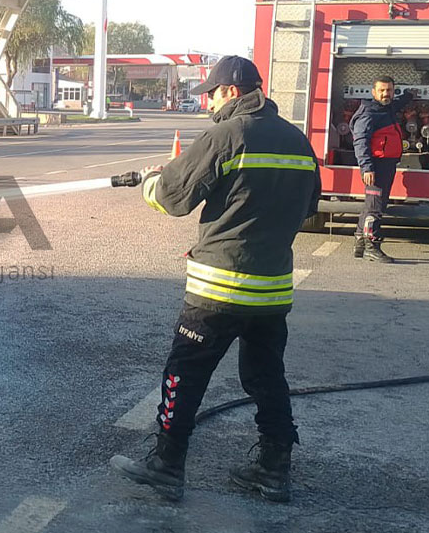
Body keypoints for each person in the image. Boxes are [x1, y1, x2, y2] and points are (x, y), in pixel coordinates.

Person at [109, 55, 321, 503]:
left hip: (218, 288)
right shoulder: (298, 141)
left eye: (211, 93)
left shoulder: (228, 134)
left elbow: (173, 198)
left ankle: (166, 465)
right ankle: (273, 470)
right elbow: (308, 209)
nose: (207, 102)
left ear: (232, 91)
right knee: (267, 378)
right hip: (273, 291)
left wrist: (152, 182)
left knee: (185, 374)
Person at [350, 76, 413, 263]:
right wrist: (367, 168)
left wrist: (409, 96)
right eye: (382, 90)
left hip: (386, 165)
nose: (386, 94)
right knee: (375, 208)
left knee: (372, 204)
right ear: (373, 92)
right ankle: (372, 245)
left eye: (390, 90)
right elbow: (360, 141)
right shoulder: (369, 113)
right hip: (376, 167)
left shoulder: (386, 108)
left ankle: (360, 243)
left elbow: (396, 104)